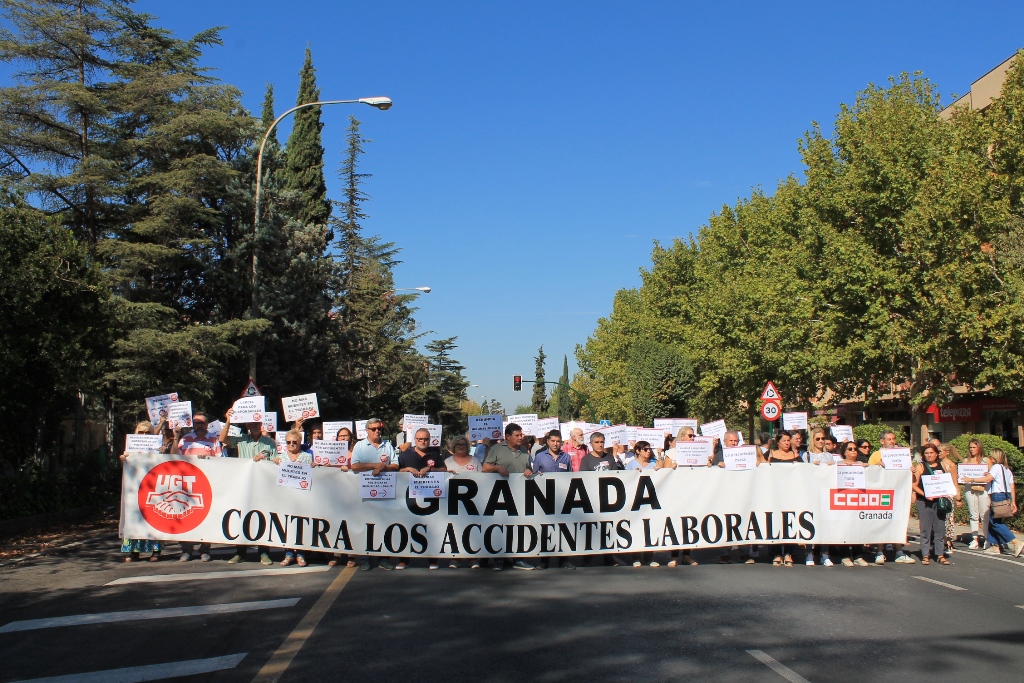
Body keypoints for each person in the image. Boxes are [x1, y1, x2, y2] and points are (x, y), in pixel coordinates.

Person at [219, 407, 277, 565]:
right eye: (252, 424)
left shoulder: (270, 442)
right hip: (244, 485)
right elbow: (223, 439)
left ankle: (264, 552)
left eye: (258, 423)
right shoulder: (241, 439)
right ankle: (240, 552)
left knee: (263, 517)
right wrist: (228, 421)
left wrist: (266, 461)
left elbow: (276, 461)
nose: (255, 426)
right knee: (242, 517)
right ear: (248, 426)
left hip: (263, 486)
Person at [350, 418, 399, 570]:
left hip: (385, 491)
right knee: (366, 525)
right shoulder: (360, 445)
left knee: (384, 525)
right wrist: (374, 465)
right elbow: (355, 465)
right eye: (373, 429)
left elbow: (396, 465)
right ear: (367, 431)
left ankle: (383, 558)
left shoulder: (387, 445)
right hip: (366, 492)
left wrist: (383, 468)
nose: (377, 431)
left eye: (379, 428)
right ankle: (365, 558)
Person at [483, 423, 535, 570]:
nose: (521, 437)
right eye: (517, 435)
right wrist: (498, 467)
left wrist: (528, 471)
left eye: (521, 435)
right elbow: (485, 467)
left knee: (518, 526)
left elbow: (529, 468)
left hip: (519, 494)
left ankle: (518, 559)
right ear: (507, 437)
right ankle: (499, 559)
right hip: (499, 494)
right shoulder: (496, 449)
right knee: (500, 525)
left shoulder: (524, 450)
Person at [172, 412, 221, 561]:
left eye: (202, 423)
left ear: (207, 424)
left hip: (206, 484)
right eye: (197, 423)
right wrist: (175, 437)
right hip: (187, 485)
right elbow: (174, 456)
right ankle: (186, 549)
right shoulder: (185, 439)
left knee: (206, 517)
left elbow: (220, 461)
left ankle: (205, 549)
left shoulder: (213, 439)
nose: (199, 425)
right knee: (186, 517)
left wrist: (208, 460)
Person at [397, 427, 449, 570]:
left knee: (431, 527)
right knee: (406, 527)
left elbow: (444, 470)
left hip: (431, 498)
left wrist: (430, 469)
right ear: (415, 440)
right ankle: (403, 560)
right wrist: (407, 469)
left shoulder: (435, 454)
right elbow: (396, 471)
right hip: (407, 499)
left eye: (426, 439)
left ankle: (433, 560)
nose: (423, 441)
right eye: (420, 439)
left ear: (429, 439)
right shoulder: (405, 455)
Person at [530, 430, 577, 570]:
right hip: (544, 497)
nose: (556, 444)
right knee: (545, 528)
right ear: (547, 442)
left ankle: (564, 560)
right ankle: (544, 560)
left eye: (558, 441)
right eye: (553, 441)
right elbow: (534, 476)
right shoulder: (539, 457)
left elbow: (570, 477)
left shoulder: (566, 457)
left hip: (562, 498)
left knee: (563, 528)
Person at [867, 430, 915, 564]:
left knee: (899, 522)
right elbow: (868, 473)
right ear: (882, 441)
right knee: (882, 522)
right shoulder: (876, 455)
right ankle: (879, 552)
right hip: (882, 495)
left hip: (899, 494)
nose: (892, 441)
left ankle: (899, 552)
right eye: (889, 439)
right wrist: (877, 466)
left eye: (893, 439)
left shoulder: (901, 454)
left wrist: (910, 470)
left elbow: (907, 475)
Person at [120, 420, 165, 562]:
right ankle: (133, 551)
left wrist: (163, 454)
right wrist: (123, 459)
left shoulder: (158, 449)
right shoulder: (130, 450)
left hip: (153, 487)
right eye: (141, 432)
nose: (144, 435)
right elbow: (124, 466)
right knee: (133, 517)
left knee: (154, 517)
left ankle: (156, 550)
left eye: (148, 433)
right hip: (134, 487)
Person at [277, 430, 314, 566]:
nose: (291, 444)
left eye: (295, 442)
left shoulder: (307, 457)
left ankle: (300, 554)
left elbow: (312, 474)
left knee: (300, 525)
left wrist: (314, 467)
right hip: (285, 497)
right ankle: (288, 553)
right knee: (287, 525)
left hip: (302, 497)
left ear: (300, 442)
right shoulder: (280, 457)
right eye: (288, 442)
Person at [913, 443, 953, 565]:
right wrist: (925, 495)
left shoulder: (943, 466)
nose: (929, 455)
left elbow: (948, 482)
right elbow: (914, 485)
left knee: (940, 529)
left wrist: (947, 492)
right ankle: (925, 555)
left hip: (939, 502)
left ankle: (940, 554)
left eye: (931, 453)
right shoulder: (920, 467)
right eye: (926, 453)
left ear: (936, 454)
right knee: (925, 529)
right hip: (924, 502)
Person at [766, 431, 801, 567]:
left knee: (790, 521)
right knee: (776, 521)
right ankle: (777, 553)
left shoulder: (795, 455)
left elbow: (804, 471)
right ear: (778, 442)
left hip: (791, 494)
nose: (787, 443)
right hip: (774, 493)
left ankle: (788, 553)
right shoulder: (771, 454)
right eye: (784, 441)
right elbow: (761, 466)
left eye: (788, 440)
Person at [627, 441, 662, 568]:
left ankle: (649, 557)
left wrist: (659, 471)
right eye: (645, 449)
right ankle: (636, 557)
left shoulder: (654, 464)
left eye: (649, 449)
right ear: (638, 451)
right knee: (636, 528)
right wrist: (632, 474)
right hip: (636, 502)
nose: (648, 451)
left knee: (650, 529)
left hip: (650, 502)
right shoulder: (631, 464)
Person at [835, 441, 870, 566]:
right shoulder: (837, 465)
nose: (853, 451)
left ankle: (858, 555)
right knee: (844, 528)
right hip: (842, 502)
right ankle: (844, 556)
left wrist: (875, 467)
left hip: (857, 502)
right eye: (850, 449)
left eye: (855, 449)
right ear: (844, 452)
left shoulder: (861, 465)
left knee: (857, 528)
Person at [982, 449, 1021, 556]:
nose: (989, 458)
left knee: (995, 522)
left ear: (994, 458)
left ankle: (1015, 542)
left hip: (997, 496)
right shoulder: (1007, 469)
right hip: (1005, 495)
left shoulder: (996, 467)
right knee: (993, 520)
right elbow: (1012, 486)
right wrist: (1013, 501)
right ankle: (994, 545)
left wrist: (970, 479)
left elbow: (988, 479)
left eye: (990, 457)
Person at [960, 438, 992, 550]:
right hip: (970, 489)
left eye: (974, 447)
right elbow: (961, 477)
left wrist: (987, 473)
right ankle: (975, 539)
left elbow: (991, 476)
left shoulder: (986, 460)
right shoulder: (966, 461)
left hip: (983, 489)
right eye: (970, 447)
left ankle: (988, 539)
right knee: (973, 515)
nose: (972, 449)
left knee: (984, 515)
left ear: (979, 448)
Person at [938, 443, 960, 557]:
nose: (938, 453)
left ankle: (949, 542)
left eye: (940, 451)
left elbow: (955, 481)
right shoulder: (936, 464)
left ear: (947, 452)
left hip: (948, 495)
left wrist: (958, 497)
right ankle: (940, 541)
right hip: (937, 493)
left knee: (948, 519)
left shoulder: (950, 465)